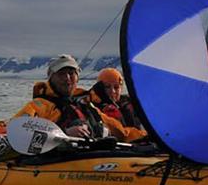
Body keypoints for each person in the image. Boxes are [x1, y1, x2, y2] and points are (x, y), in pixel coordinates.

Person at [12, 54, 146, 142]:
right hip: (61, 159)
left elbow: (120, 132)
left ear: (77, 77)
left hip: (97, 156)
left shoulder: (85, 103)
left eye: (71, 73)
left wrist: (147, 137)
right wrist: (63, 133)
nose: (67, 79)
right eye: (62, 74)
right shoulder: (39, 105)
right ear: (51, 77)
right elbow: (17, 130)